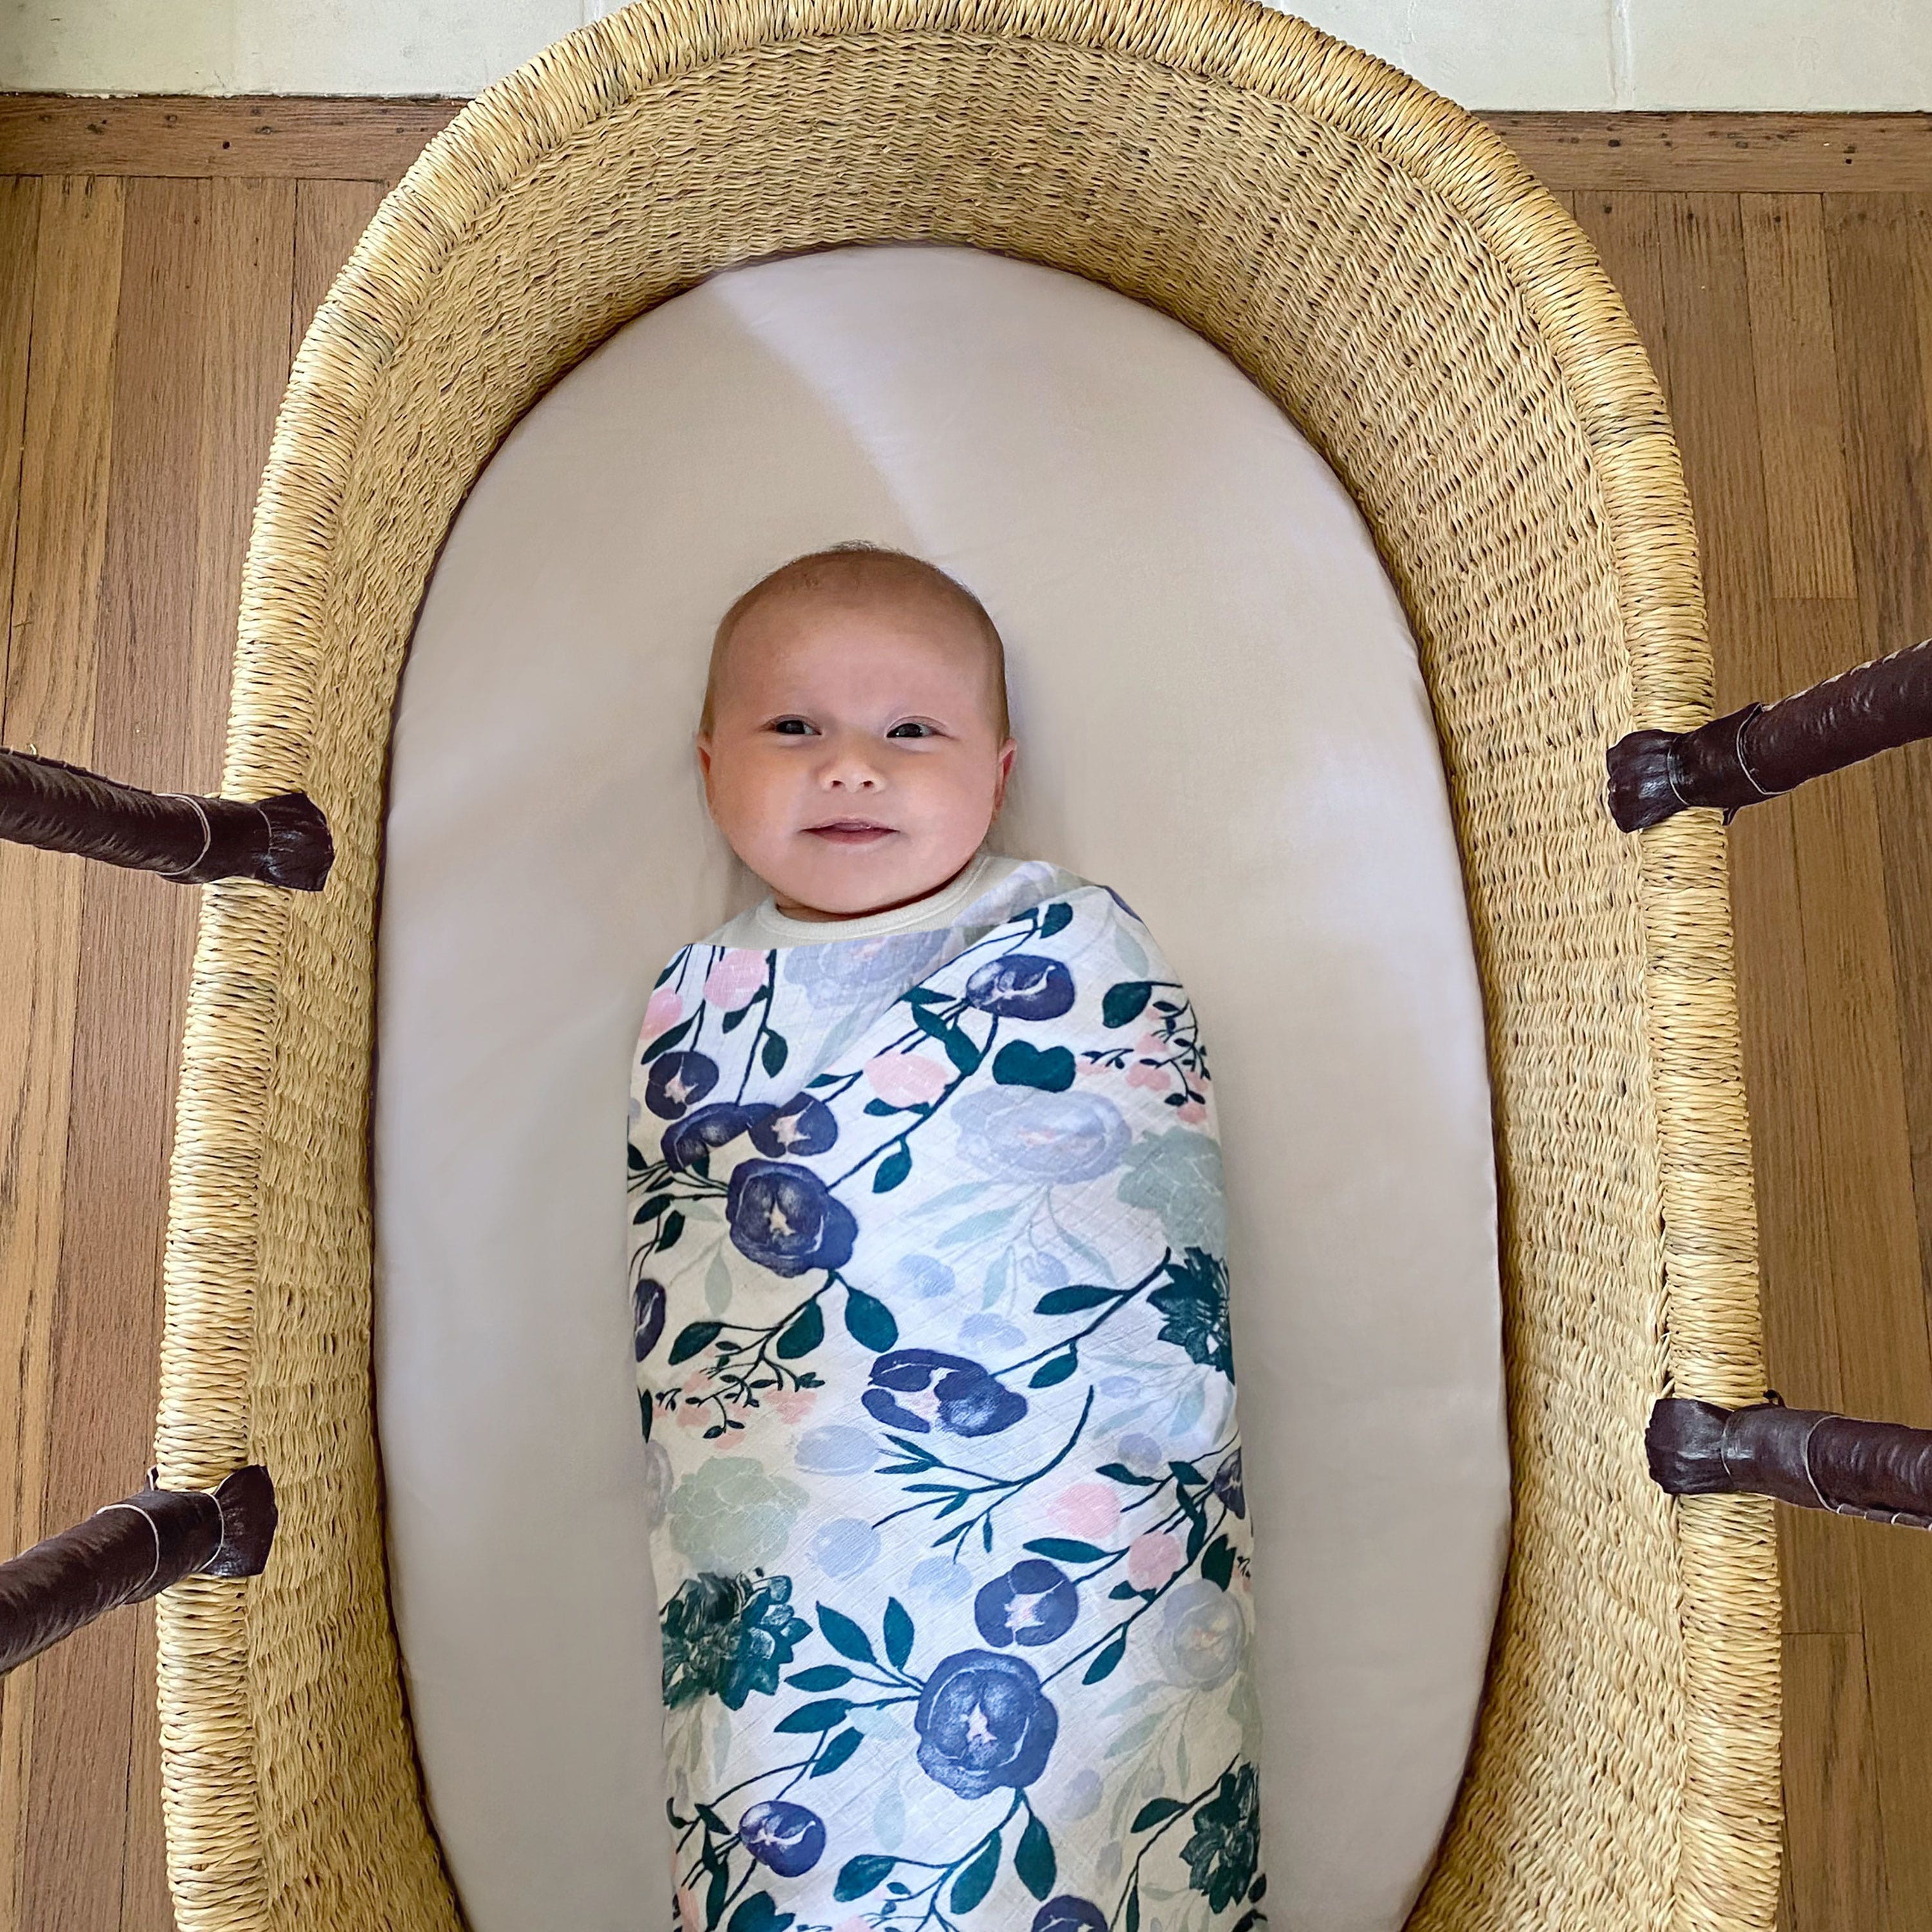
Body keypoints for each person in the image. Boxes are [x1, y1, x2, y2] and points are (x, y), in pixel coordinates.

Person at [629, 544, 1267, 1932]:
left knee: (1103, 1753)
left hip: (1070, 1494)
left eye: (912, 731)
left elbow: (1132, 1171)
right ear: (709, 765)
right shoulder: (707, 1003)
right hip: (809, 1504)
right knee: (790, 1752)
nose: (852, 767)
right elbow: (703, 1241)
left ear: (1000, 771)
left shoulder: (1071, 946)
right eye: (793, 726)